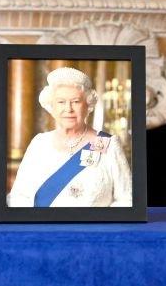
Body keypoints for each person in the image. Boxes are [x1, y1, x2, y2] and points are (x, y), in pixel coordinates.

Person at [8, 67, 132, 207]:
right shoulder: (39, 144)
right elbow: (19, 197)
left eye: (76, 102)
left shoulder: (108, 144)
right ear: (51, 106)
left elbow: (127, 199)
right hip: (45, 228)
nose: (68, 109)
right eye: (61, 102)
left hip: (93, 228)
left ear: (88, 105)